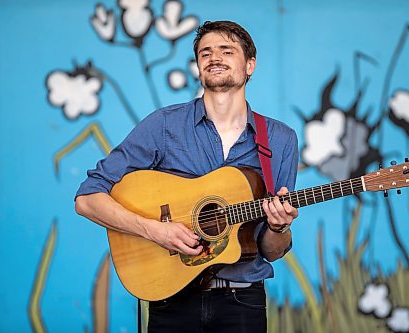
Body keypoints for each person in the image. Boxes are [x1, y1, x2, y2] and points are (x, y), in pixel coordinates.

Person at [75, 20, 299, 332]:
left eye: (226, 50)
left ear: (250, 65)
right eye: (205, 53)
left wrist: (279, 226)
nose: (214, 57)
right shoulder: (164, 126)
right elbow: (87, 199)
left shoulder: (280, 139)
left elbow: (271, 250)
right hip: (171, 300)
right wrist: (155, 231)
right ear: (198, 66)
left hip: (242, 303)